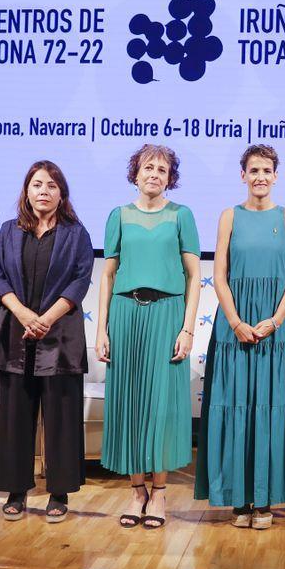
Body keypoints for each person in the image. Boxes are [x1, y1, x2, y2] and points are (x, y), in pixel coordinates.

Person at [195, 145, 285, 530]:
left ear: (276, 176)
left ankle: (264, 503)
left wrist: (274, 321)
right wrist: (236, 321)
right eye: (253, 169)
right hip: (234, 327)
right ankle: (238, 501)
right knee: (235, 409)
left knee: (269, 412)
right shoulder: (229, 216)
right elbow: (219, 275)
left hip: (276, 329)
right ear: (242, 175)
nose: (260, 176)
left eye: (267, 170)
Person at [96, 144, 201, 529]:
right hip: (126, 315)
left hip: (167, 314)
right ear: (135, 173)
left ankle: (159, 492)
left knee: (160, 406)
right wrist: (102, 328)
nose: (154, 174)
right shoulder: (118, 216)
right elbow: (107, 275)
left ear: (170, 177)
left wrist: (187, 328)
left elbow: (194, 277)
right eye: (147, 167)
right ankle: (135, 490)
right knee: (130, 403)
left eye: (162, 169)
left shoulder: (181, 216)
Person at [0, 161, 93, 522]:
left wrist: (45, 319)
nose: (43, 190)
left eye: (51, 185)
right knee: (14, 417)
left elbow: (79, 282)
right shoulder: (8, 231)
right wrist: (23, 314)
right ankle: (16, 492)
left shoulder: (76, 234)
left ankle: (59, 494)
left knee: (61, 417)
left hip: (59, 337)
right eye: (36, 184)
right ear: (26, 191)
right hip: (17, 335)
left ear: (61, 193)